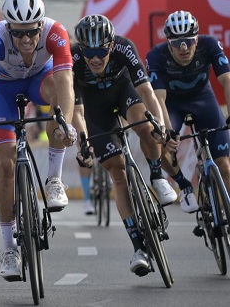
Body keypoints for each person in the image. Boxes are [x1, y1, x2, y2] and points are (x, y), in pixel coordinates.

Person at [0, 0, 76, 281]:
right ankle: (9, 249)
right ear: (8, 28)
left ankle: (54, 181)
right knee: (5, 163)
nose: (26, 39)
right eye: (18, 33)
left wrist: (65, 123)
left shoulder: (56, 32)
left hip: (40, 81)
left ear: (41, 26)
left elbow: (65, 81)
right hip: (2, 90)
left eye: (32, 32)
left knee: (58, 101)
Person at [70, 14, 176, 276]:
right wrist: (83, 144)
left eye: (101, 51)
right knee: (117, 172)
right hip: (94, 109)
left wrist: (160, 125)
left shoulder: (124, 47)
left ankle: (156, 177)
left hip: (122, 91)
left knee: (145, 127)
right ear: (81, 49)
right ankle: (138, 247)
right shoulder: (72, 58)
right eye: (89, 52)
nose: (95, 58)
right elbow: (77, 112)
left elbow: (146, 91)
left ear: (111, 45)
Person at [146, 10, 230, 210]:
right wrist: (167, 130)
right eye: (176, 43)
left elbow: (227, 80)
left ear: (197, 39)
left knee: (225, 166)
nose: (183, 48)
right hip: (172, 105)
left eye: (188, 41)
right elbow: (159, 98)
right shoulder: (156, 55)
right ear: (168, 43)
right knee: (161, 143)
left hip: (203, 100)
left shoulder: (209, 44)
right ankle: (184, 186)